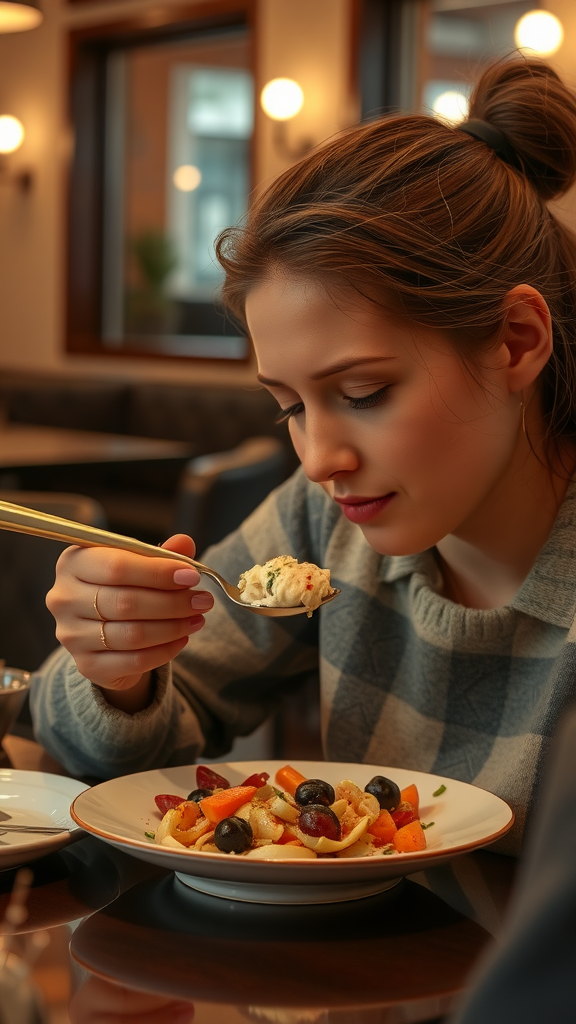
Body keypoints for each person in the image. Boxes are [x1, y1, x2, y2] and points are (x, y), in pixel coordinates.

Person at [31, 56, 576, 855]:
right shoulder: (327, 523)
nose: (319, 459)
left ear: (515, 341)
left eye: (362, 393)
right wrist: (121, 674)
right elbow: (119, 755)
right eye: (289, 406)